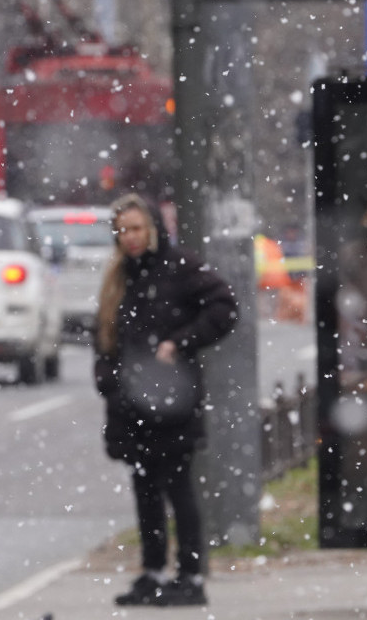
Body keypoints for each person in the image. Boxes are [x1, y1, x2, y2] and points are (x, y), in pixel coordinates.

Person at [93, 193, 238, 607]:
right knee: (144, 489)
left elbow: (224, 307)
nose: (131, 238)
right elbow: (105, 337)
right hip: (130, 404)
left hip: (171, 401)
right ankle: (153, 570)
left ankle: (190, 575)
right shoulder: (119, 277)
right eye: (123, 231)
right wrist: (109, 382)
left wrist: (180, 343)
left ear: (154, 228)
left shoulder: (181, 268)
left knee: (178, 488)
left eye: (137, 228)